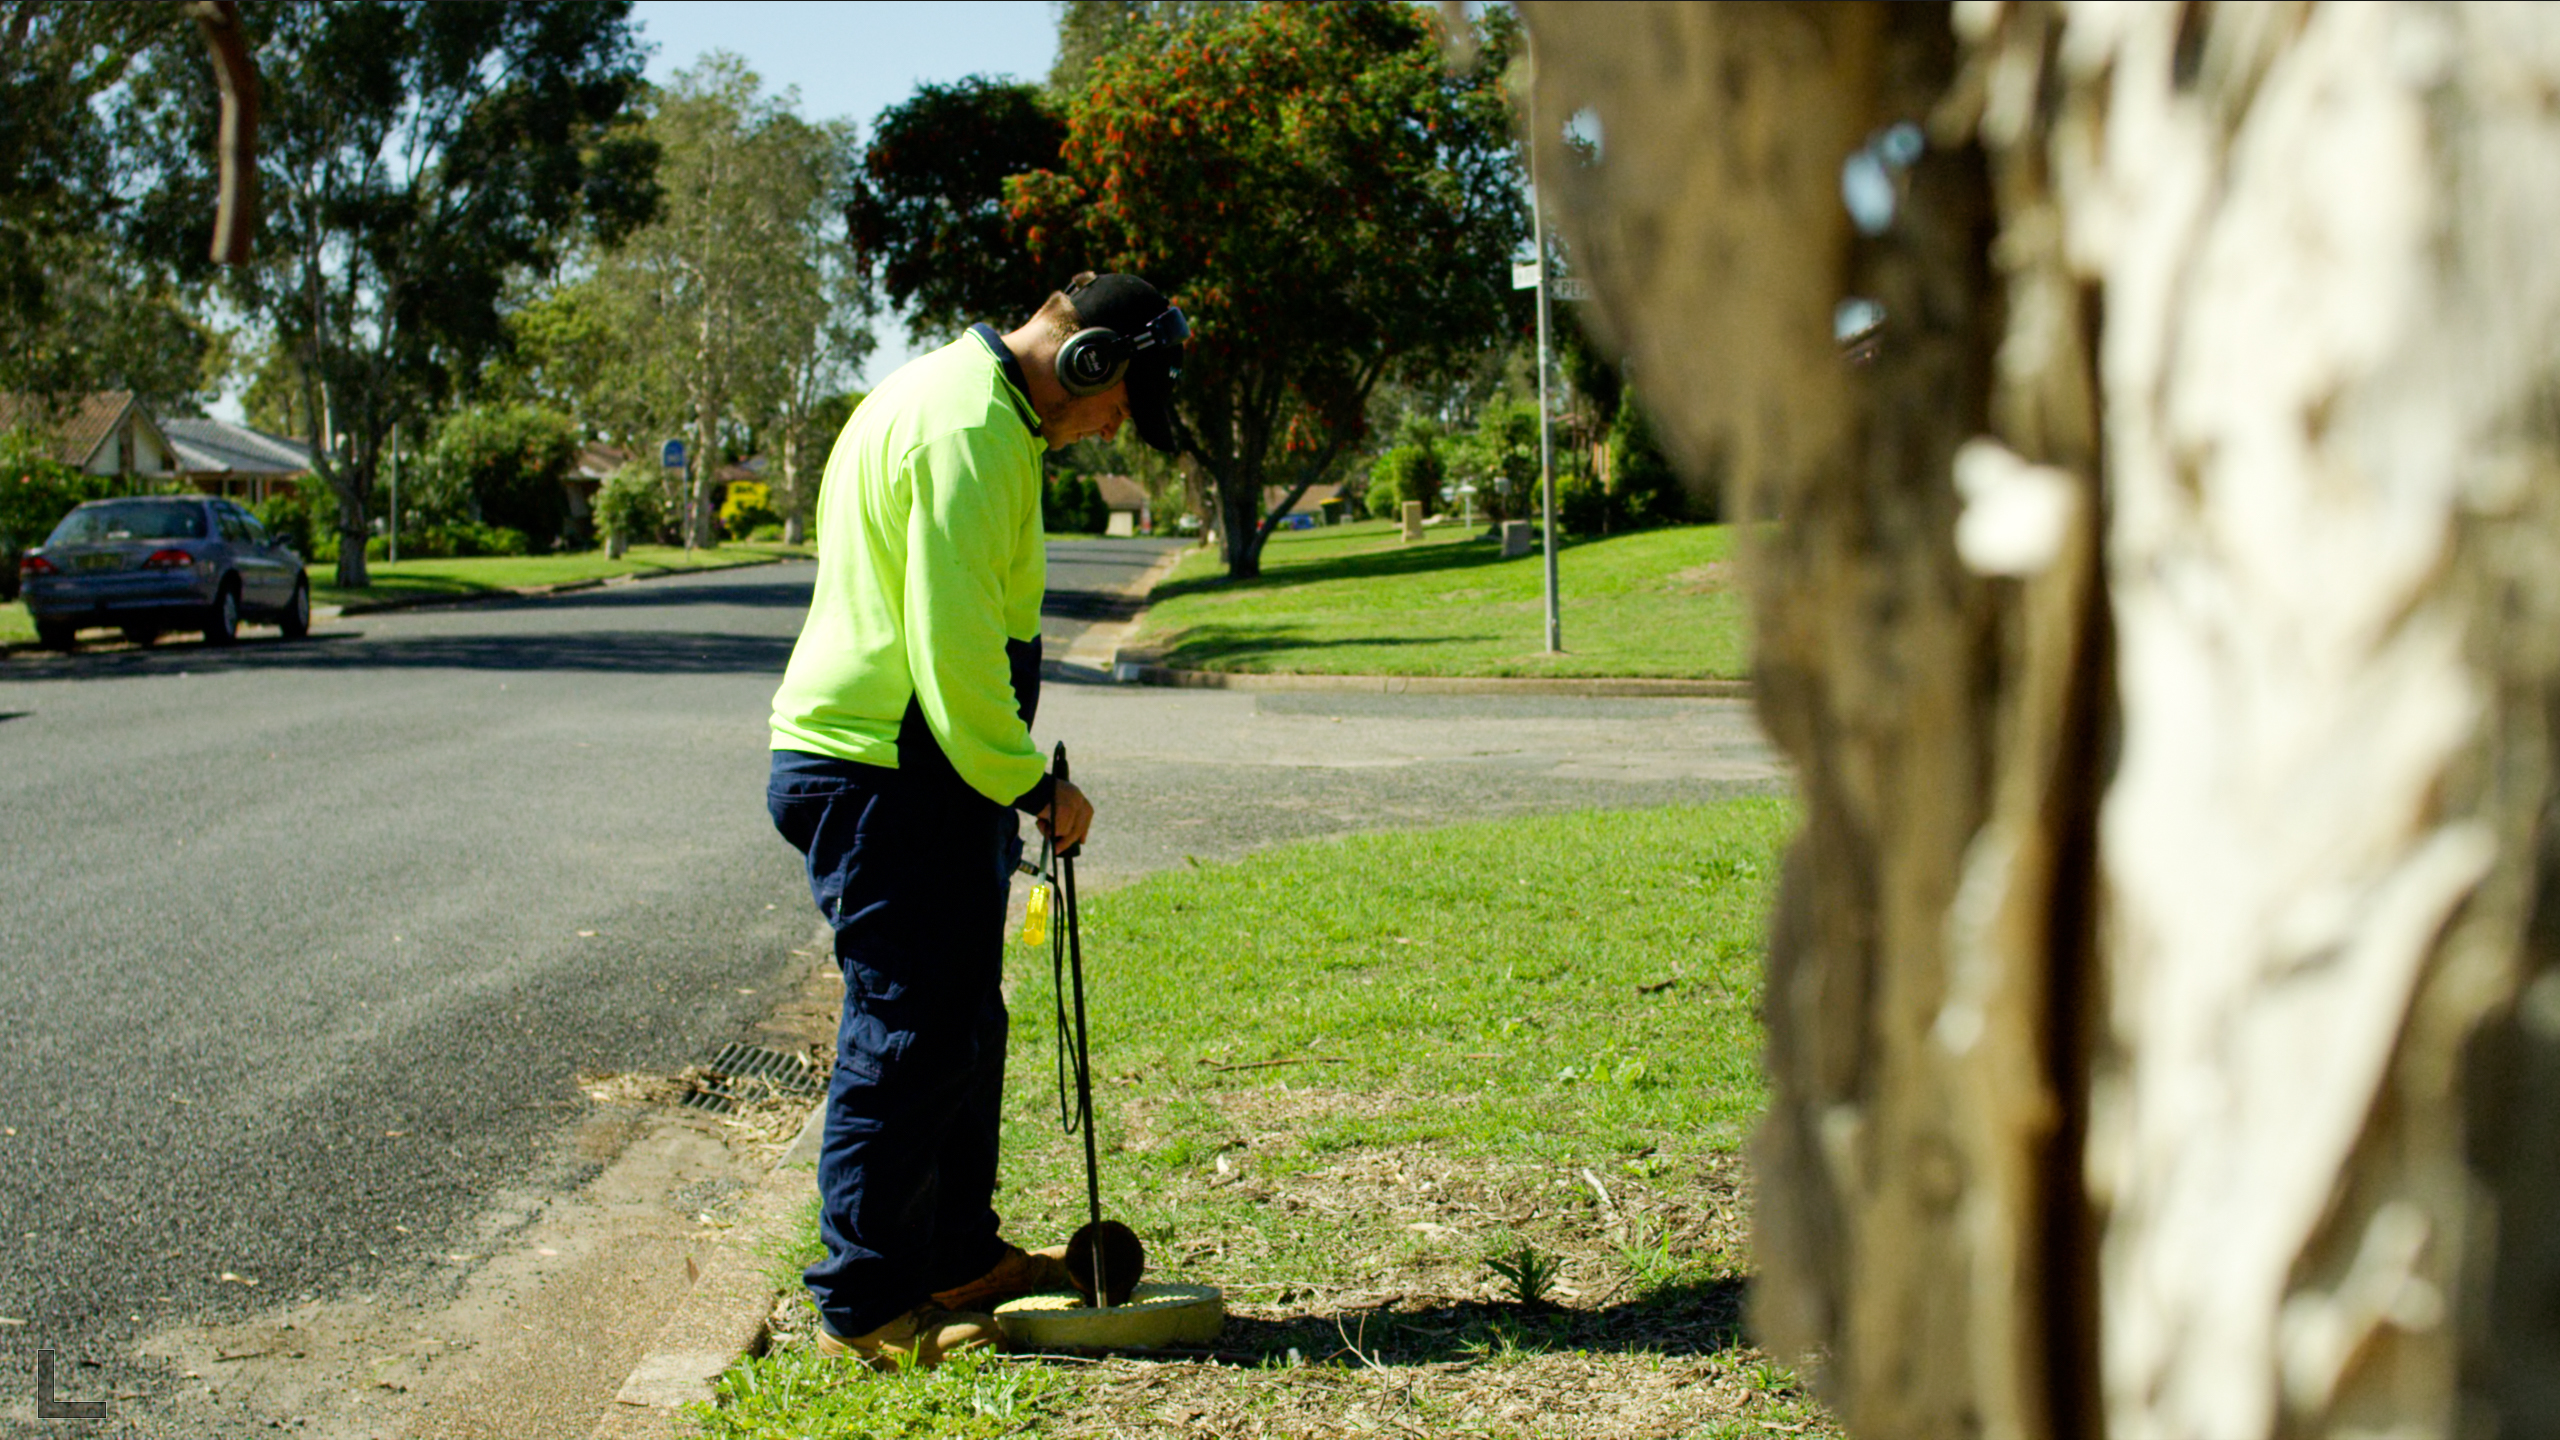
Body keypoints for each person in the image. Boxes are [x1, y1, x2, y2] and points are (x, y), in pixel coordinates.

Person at [765, 273, 1188, 1368]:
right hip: (888, 771)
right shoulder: (968, 430)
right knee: (906, 1033)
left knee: (957, 1024)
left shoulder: (962, 401)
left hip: (912, 771)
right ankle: (864, 1309)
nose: (1111, 427)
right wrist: (1034, 785)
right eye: (1118, 401)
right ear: (1090, 357)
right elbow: (952, 659)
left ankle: (956, 1256)